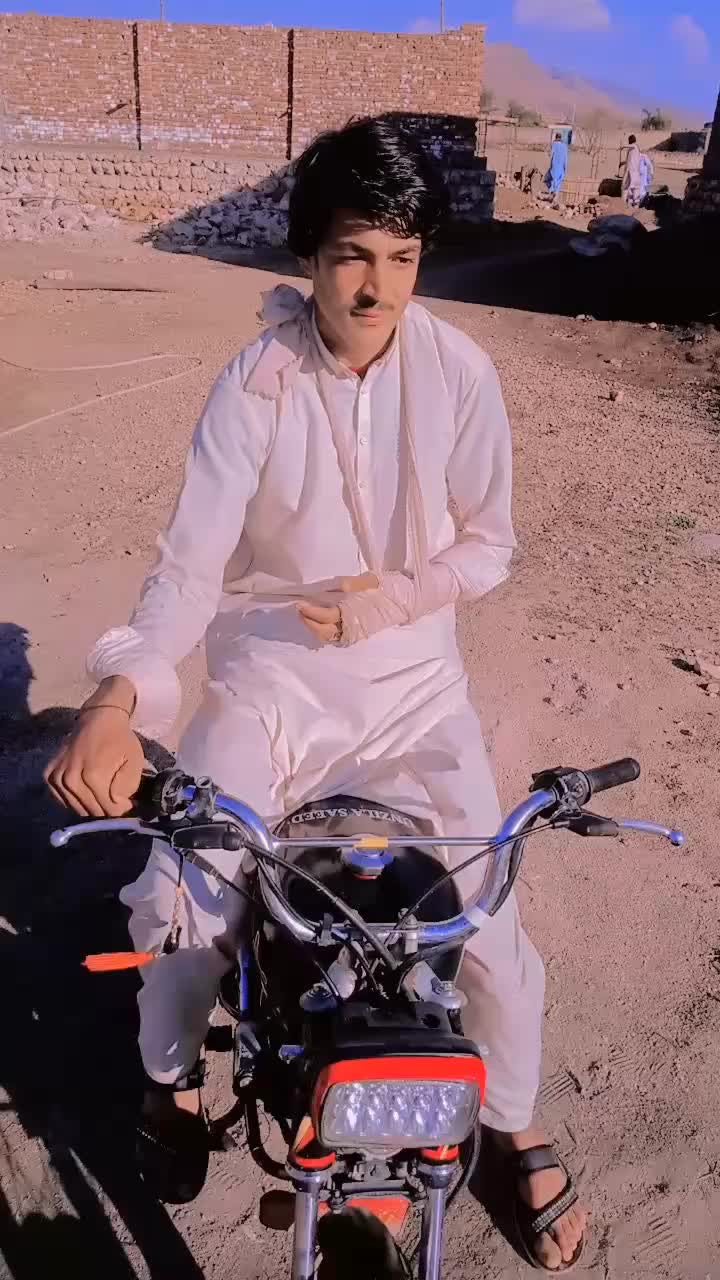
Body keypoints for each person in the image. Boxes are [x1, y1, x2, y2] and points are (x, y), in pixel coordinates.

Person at [46, 117, 586, 1271]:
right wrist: (117, 698)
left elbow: (489, 543)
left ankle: (512, 1120)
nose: (378, 286)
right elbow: (188, 573)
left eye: (402, 256)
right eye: (353, 255)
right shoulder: (256, 385)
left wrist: (394, 599)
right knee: (180, 900)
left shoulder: (461, 371)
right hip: (271, 679)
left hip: (415, 687)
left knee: (488, 926)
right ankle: (172, 1084)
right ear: (310, 254)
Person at [544, 132, 568, 198]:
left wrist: (547, 154)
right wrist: (565, 167)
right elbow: (566, 157)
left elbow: (551, 155)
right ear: (560, 138)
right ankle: (555, 194)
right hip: (561, 167)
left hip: (554, 166)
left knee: (549, 179)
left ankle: (552, 192)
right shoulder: (564, 146)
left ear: (556, 137)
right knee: (558, 181)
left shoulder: (554, 144)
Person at [623, 133, 643, 207]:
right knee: (628, 187)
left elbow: (632, 145)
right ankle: (628, 203)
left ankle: (635, 204)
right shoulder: (631, 149)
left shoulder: (635, 146)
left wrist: (623, 146)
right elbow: (629, 160)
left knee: (633, 187)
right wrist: (623, 163)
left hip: (633, 170)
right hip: (630, 170)